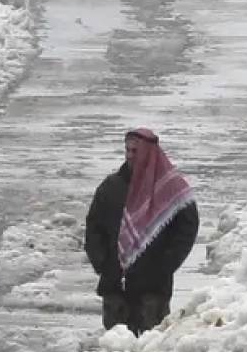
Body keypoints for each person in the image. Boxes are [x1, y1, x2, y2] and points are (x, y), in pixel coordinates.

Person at [84, 128, 198, 335]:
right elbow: (94, 229)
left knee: (149, 350)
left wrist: (165, 266)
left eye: (135, 151)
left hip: (153, 291)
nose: (129, 156)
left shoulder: (170, 190)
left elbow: (187, 230)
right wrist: (103, 264)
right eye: (127, 150)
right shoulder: (111, 187)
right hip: (116, 287)